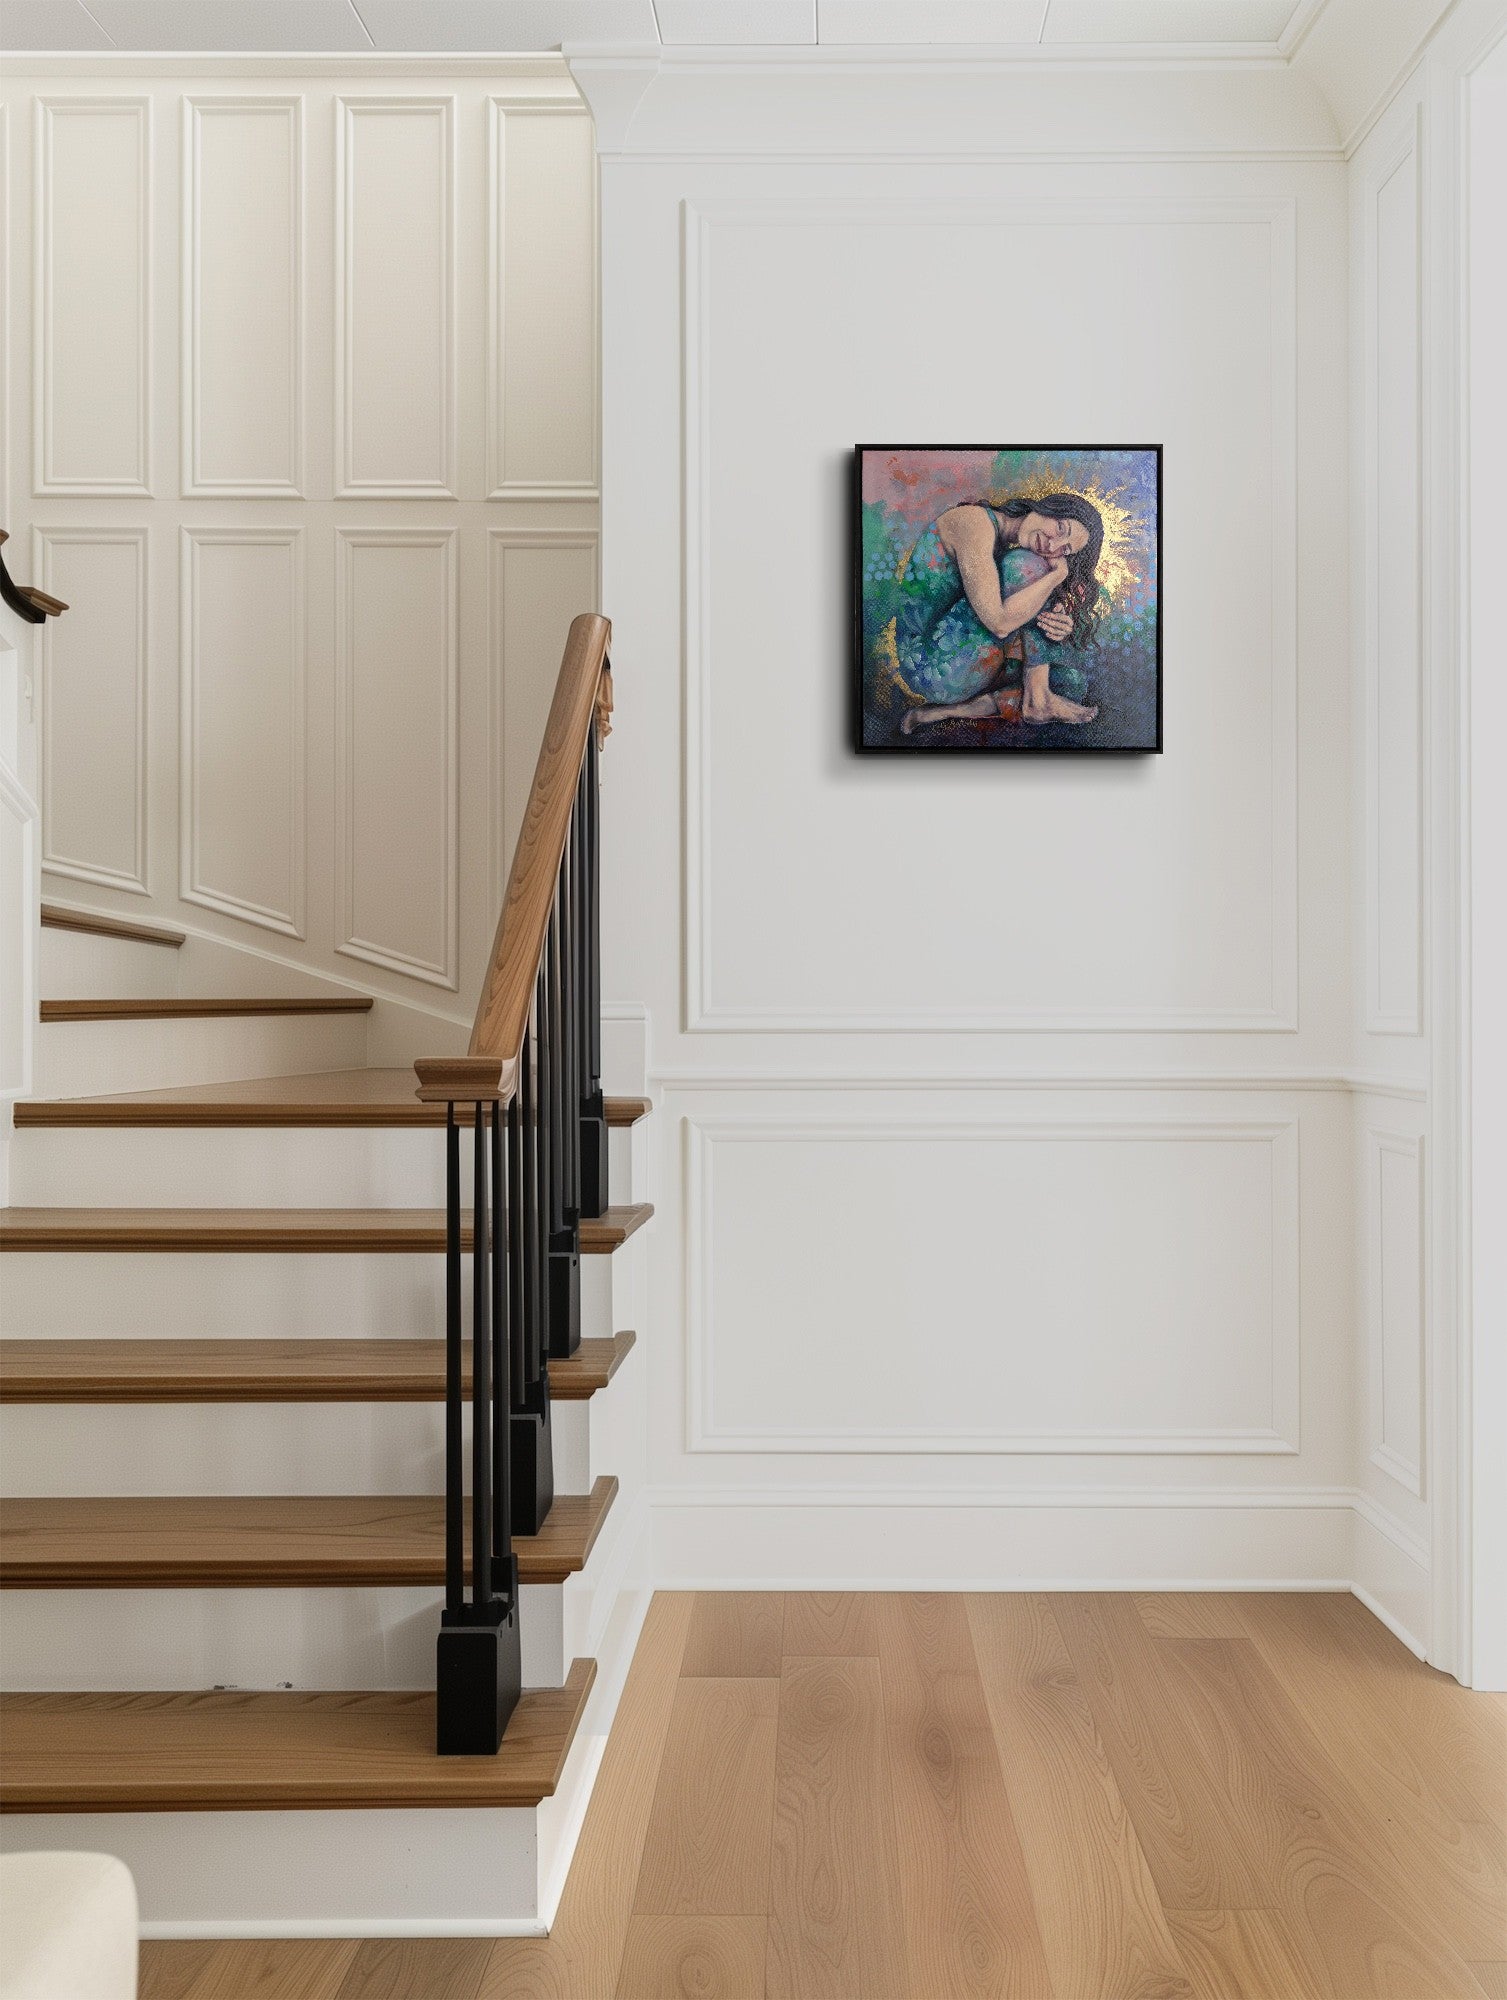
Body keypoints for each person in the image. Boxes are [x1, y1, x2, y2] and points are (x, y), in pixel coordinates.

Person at [890, 493, 1106, 733]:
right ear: (1048, 507)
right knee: (1030, 567)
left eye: (1065, 550)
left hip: (962, 659)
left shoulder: (1002, 538)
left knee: (1070, 683)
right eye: (1060, 528)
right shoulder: (974, 522)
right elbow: (999, 624)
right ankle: (1037, 700)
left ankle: (944, 712)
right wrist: (1056, 576)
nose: (1052, 546)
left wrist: (1055, 624)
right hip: (930, 665)